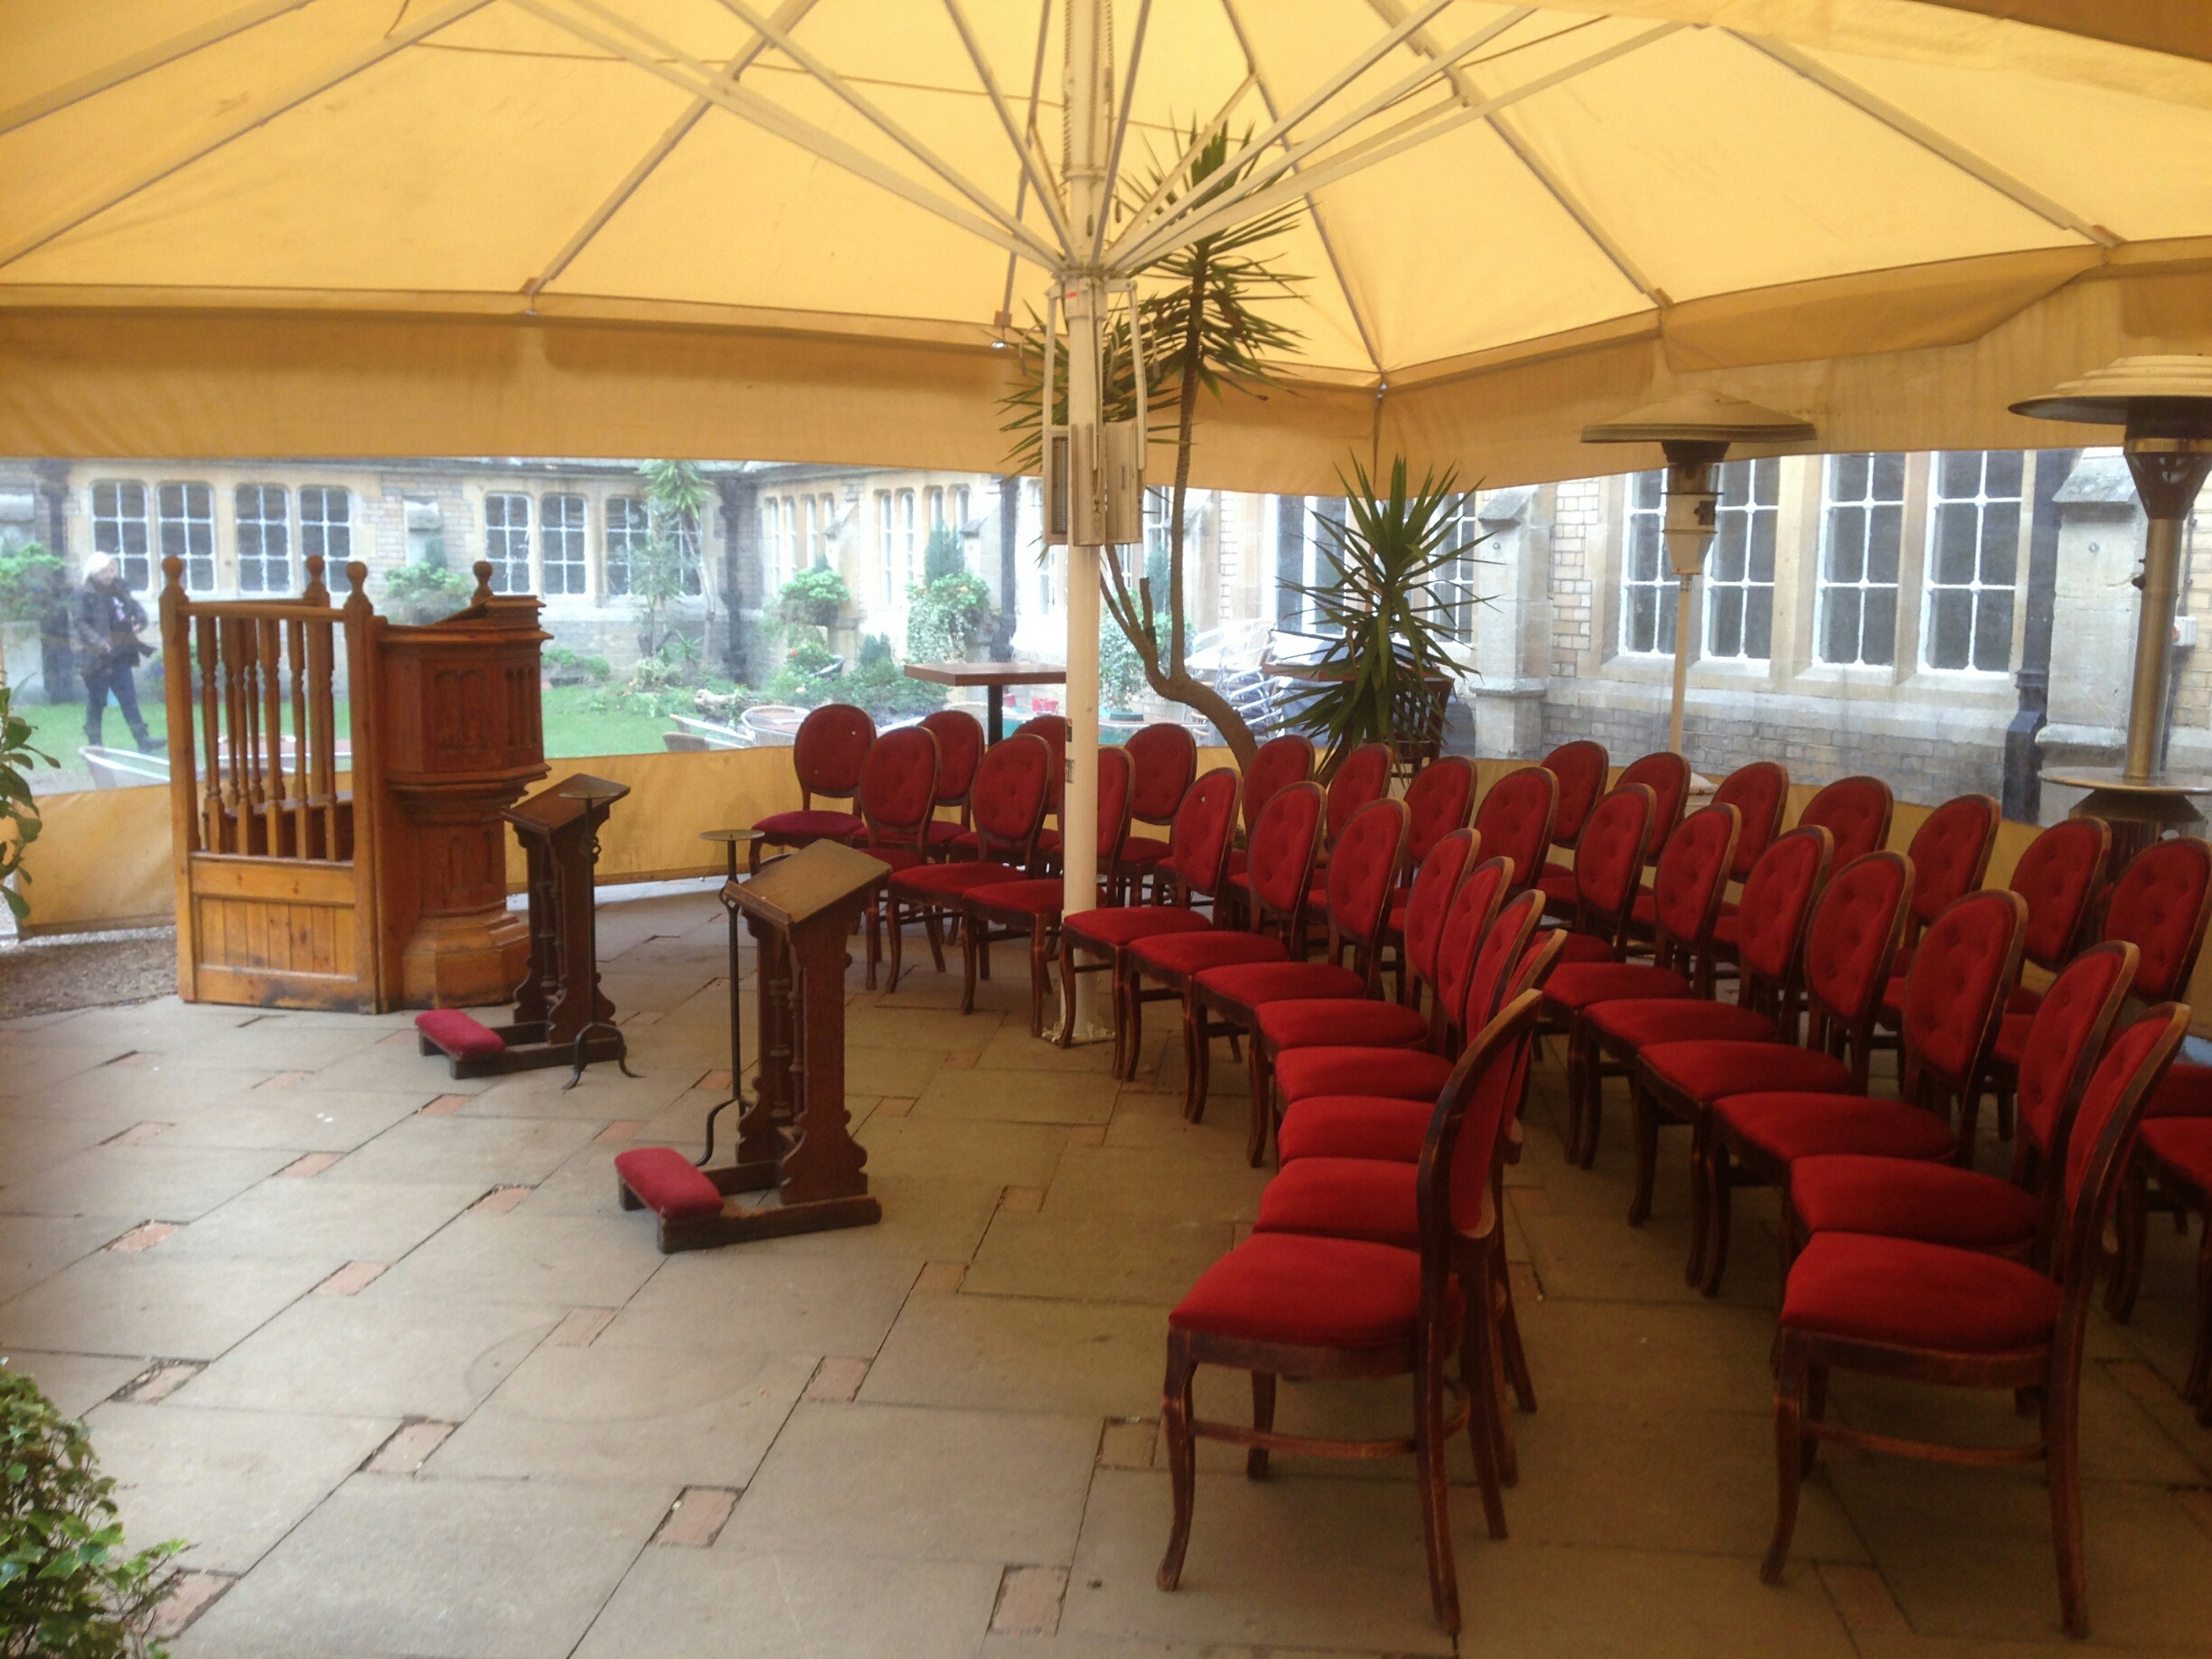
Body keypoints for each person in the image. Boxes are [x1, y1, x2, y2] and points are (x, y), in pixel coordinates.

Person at [72, 553, 163, 753]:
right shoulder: (83, 593)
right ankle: (95, 742)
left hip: (120, 653)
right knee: (97, 700)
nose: (109, 574)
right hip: (95, 658)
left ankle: (143, 739)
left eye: (111, 570)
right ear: (94, 572)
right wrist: (99, 642)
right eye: (104, 571)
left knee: (128, 697)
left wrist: (140, 619)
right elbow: (80, 623)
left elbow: (135, 607)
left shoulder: (119, 588)